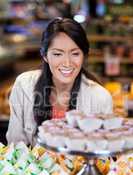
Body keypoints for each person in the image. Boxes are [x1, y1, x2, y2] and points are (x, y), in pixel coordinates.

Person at [6, 17, 113, 146]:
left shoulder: (100, 97)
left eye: (75, 54)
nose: (67, 63)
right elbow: (15, 147)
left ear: (84, 55)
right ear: (45, 56)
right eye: (57, 54)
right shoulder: (24, 85)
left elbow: (101, 156)